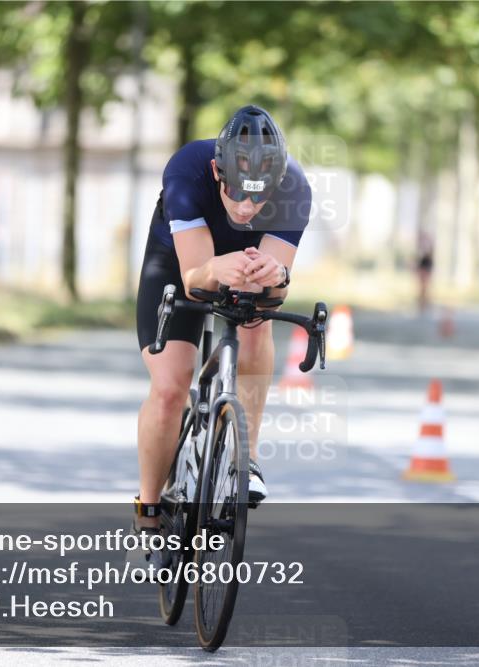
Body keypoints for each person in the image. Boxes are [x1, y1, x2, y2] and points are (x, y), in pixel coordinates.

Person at [131, 105, 312, 555]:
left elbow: (276, 292)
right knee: (170, 387)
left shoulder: (295, 187)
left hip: (246, 261)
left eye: (259, 197)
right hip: (179, 261)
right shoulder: (187, 171)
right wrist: (216, 268)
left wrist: (276, 276)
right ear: (218, 172)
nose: (247, 207)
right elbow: (194, 277)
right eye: (237, 193)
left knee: (257, 323)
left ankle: (246, 458)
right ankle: (148, 513)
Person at [416, 229, 434, 311]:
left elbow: (429, 257)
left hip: (426, 267)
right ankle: (422, 303)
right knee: (422, 287)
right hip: (423, 267)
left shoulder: (428, 246)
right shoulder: (421, 246)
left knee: (425, 287)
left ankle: (424, 303)